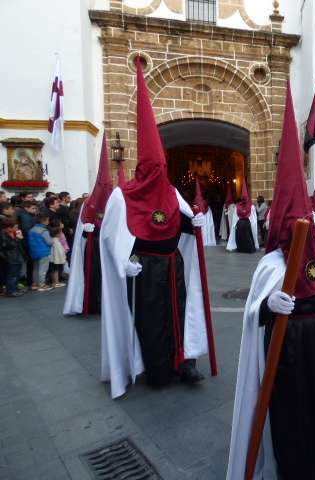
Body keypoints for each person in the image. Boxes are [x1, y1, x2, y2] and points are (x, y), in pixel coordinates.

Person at [226, 83, 315, 480]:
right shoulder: (271, 265)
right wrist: (267, 306)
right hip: (285, 353)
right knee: (290, 414)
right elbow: (252, 314)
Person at [100, 58, 210, 398]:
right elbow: (111, 238)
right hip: (145, 270)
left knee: (181, 313)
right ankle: (156, 368)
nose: (159, 174)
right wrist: (124, 261)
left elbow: (181, 222)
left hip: (174, 264)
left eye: (162, 167)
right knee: (153, 319)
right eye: (154, 168)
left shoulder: (171, 191)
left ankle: (185, 361)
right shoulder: (122, 196)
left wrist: (195, 223)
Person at [64, 135, 112, 315]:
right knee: (94, 276)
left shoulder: (114, 203)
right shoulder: (88, 205)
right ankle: (93, 303)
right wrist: (86, 230)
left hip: (109, 248)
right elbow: (81, 230)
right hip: (94, 249)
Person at [226, 180, 258, 253]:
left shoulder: (237, 206)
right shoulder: (251, 206)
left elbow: (235, 217)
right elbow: (253, 218)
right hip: (247, 223)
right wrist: (253, 225)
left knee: (240, 237)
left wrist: (234, 225)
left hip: (240, 223)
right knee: (248, 236)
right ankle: (249, 249)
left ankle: (241, 248)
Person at [0, 217, 27, 297]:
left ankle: (14, 288)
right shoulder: (2, 234)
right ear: (9, 228)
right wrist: (18, 239)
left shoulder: (13, 233)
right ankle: (11, 291)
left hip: (17, 256)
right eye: (15, 227)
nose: (17, 228)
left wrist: (19, 238)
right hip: (11, 258)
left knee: (17, 274)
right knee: (12, 275)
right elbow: (8, 246)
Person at [28, 213, 54, 292]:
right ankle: (42, 285)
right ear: (44, 221)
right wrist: (52, 240)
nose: (48, 221)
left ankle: (35, 284)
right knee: (43, 269)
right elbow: (49, 242)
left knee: (36, 268)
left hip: (33, 252)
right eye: (48, 220)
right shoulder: (44, 231)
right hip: (44, 252)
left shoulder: (31, 230)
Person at [193, 181, 217, 247]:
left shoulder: (196, 201)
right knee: (207, 226)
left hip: (201, 214)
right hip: (206, 214)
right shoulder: (205, 202)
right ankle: (208, 239)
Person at [48, 219, 67, 288]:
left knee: (53, 269)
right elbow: (59, 251)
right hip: (56, 259)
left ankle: (54, 282)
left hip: (52, 258)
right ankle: (56, 282)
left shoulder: (52, 240)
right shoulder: (56, 241)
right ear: (57, 234)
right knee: (55, 270)